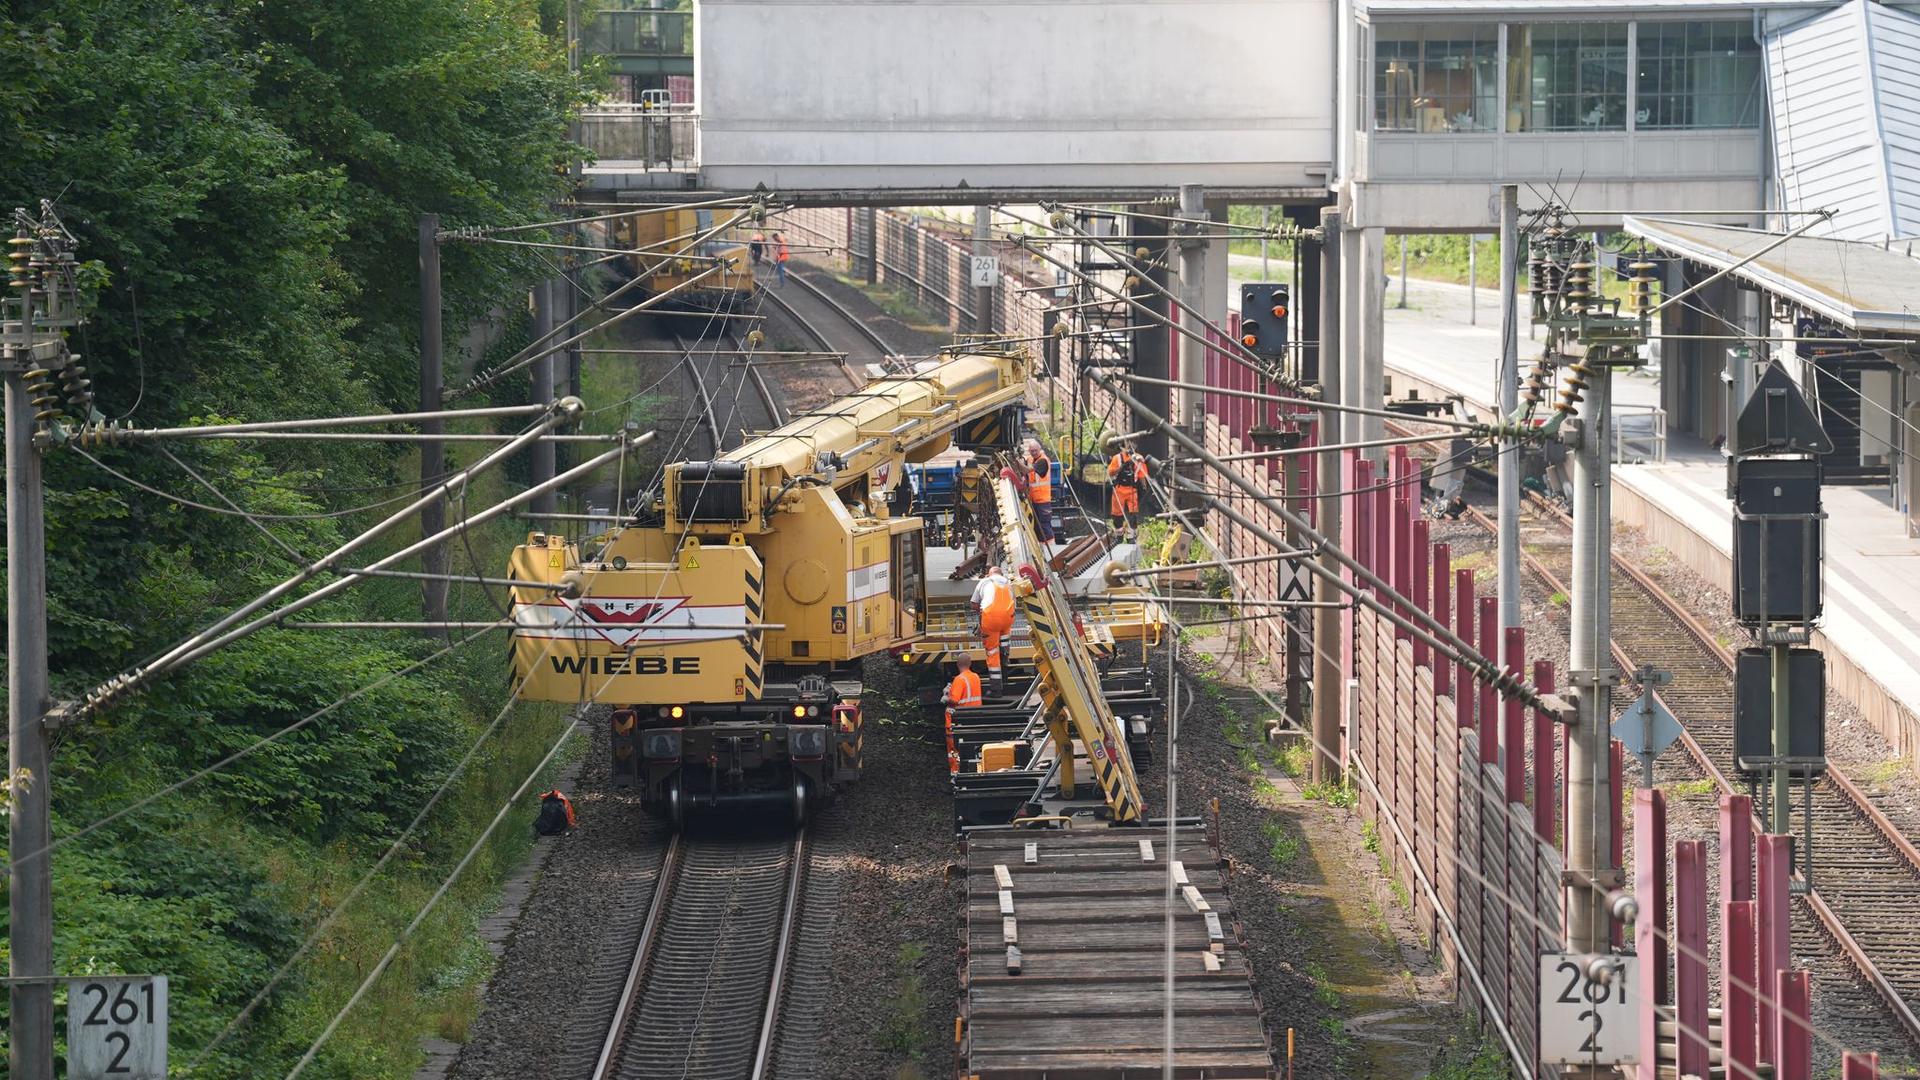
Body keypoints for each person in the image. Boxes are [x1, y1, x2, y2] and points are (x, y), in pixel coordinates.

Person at [969, 564, 1015, 691]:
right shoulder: (1008, 583)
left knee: (992, 652)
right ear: (1001, 574)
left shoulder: (984, 581)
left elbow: (973, 604)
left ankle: (996, 689)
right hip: (1007, 619)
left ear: (989, 574)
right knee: (1004, 646)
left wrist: (981, 613)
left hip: (991, 618)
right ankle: (1005, 674)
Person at [941, 655, 983, 775]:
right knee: (971, 747)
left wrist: (946, 697)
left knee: (954, 750)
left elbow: (954, 700)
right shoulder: (975, 677)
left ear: (958, 664)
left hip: (957, 722)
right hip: (973, 719)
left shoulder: (959, 680)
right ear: (970, 664)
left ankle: (956, 772)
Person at [1107, 441, 1149, 540]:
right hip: (1119, 489)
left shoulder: (1139, 459)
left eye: (1132, 446)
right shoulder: (1117, 458)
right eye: (1127, 447)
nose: (1129, 449)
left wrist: (1144, 488)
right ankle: (1119, 535)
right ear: (1123, 448)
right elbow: (1110, 473)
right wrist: (1122, 467)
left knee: (1133, 514)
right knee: (1117, 514)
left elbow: (1142, 475)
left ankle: (1131, 536)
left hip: (1132, 490)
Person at [1025, 439, 1055, 545]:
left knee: (1044, 525)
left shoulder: (1043, 461)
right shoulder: (1029, 459)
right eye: (1031, 451)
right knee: (1037, 526)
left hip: (1043, 500)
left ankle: (1051, 547)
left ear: (1039, 449)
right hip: (1033, 500)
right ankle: (1041, 546)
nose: (1033, 453)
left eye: (1035, 450)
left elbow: (1027, 470)